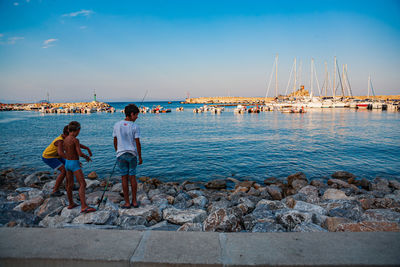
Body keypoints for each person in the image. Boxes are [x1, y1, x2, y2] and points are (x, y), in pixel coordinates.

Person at [113, 104, 142, 209]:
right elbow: (138, 143)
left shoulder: (117, 125)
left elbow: (115, 140)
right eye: (136, 115)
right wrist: (140, 156)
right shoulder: (135, 126)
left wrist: (117, 151)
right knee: (132, 177)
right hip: (132, 154)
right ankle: (134, 201)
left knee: (124, 178)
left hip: (120, 154)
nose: (137, 117)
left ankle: (126, 202)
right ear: (131, 114)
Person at [63, 121, 95, 213]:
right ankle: (84, 206)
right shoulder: (75, 140)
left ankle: (71, 203)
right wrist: (86, 157)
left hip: (67, 163)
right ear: (77, 130)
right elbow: (79, 153)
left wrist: (87, 148)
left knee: (69, 185)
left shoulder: (65, 139)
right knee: (83, 184)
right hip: (74, 164)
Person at [42, 125, 69, 197]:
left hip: (56, 156)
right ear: (67, 134)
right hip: (48, 157)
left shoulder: (65, 138)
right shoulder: (60, 141)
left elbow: (66, 151)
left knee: (69, 167)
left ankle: (68, 187)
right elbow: (61, 153)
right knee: (64, 171)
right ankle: (55, 190)